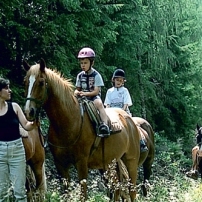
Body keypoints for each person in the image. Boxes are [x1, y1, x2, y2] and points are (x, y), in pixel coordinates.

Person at [0, 77, 36, 202]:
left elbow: (26, 125)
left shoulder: (14, 107)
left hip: (17, 151)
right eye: (6, 88)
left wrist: (34, 123)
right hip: (0, 152)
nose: (10, 91)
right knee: (2, 193)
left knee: (19, 192)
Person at [104, 69, 148, 152]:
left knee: (135, 125)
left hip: (123, 112)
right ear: (113, 80)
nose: (119, 82)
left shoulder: (125, 91)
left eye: (121, 80)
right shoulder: (109, 91)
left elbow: (126, 104)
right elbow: (107, 104)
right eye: (117, 80)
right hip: (111, 113)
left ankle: (141, 142)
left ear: (123, 81)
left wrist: (121, 112)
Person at [74, 47, 110, 137]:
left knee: (99, 104)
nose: (83, 65)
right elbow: (77, 88)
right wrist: (75, 92)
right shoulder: (79, 75)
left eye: (85, 63)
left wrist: (85, 93)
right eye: (81, 63)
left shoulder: (96, 75)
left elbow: (96, 91)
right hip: (82, 96)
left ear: (92, 63)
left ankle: (104, 124)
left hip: (93, 97)